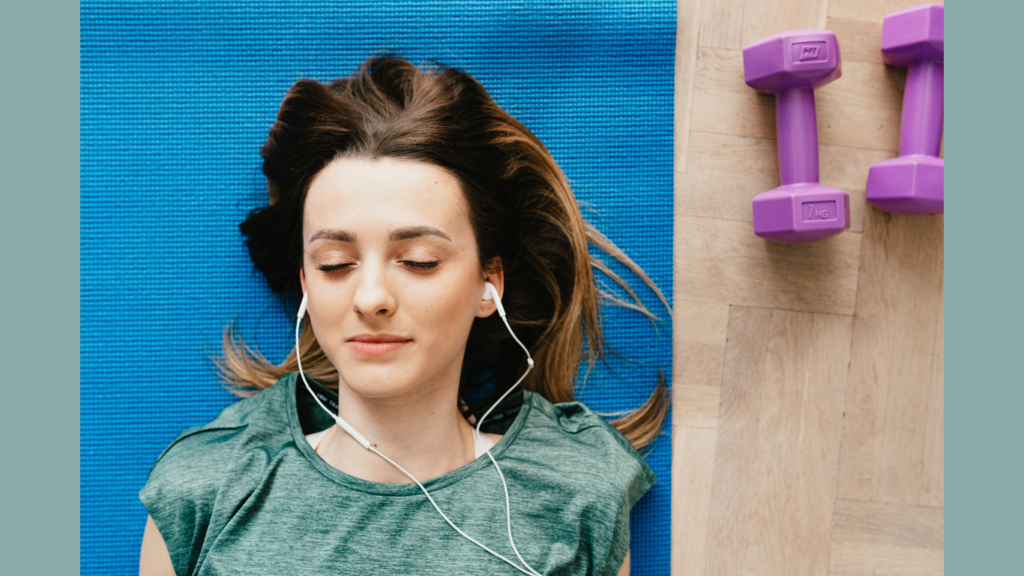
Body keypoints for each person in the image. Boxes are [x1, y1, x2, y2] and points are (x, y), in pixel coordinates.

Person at [138, 54, 671, 576]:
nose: (371, 298)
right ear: (305, 283)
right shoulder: (205, 486)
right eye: (335, 263)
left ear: (489, 284)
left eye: (418, 261)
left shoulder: (574, 488)